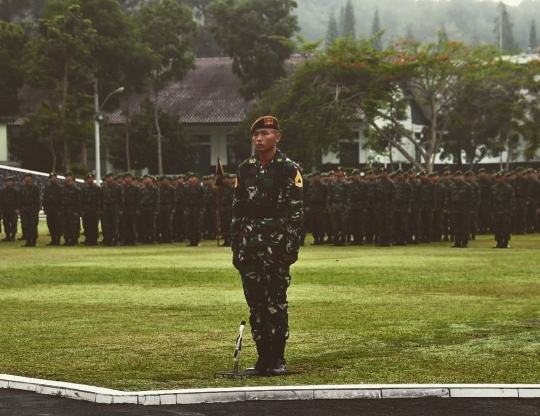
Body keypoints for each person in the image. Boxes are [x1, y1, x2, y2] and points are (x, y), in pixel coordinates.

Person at [231, 116, 303, 377]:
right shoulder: (245, 168)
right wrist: (235, 245)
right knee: (256, 304)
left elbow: (296, 211)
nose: (259, 138)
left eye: (265, 133)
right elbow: (237, 208)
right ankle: (262, 358)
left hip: (276, 245)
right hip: (249, 245)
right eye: (256, 134)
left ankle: (278, 358)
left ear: (277, 137)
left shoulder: (288, 168)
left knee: (276, 303)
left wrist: (291, 247)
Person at [490, 171, 515, 248]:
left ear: (504, 178)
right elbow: (490, 200)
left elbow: (512, 200)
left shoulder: (509, 188)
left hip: (505, 209)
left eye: (501, 177)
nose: (500, 179)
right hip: (496, 209)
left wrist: (511, 210)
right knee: (497, 226)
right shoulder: (493, 188)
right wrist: (490, 210)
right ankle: (499, 242)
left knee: (506, 226)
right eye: (498, 178)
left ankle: (506, 242)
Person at [19, 172, 41, 247]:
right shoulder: (22, 188)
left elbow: (37, 199)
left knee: (33, 225)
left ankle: (33, 241)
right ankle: (28, 241)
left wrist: (37, 209)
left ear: (31, 178)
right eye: (25, 177)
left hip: (33, 208)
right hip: (24, 209)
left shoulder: (35, 187)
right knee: (26, 225)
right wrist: (20, 208)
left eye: (28, 177)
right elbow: (20, 199)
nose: (27, 178)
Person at [60, 171, 81, 246]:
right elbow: (60, 199)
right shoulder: (62, 188)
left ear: (72, 178)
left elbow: (78, 201)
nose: (67, 178)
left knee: (74, 225)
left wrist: (77, 211)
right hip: (64, 209)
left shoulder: (76, 189)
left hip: (73, 209)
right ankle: (66, 239)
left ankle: (74, 240)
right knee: (65, 225)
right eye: (66, 177)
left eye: (68, 177)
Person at [80, 173, 100, 246]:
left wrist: (99, 209)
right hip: (86, 209)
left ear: (93, 179)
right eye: (88, 179)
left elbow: (99, 200)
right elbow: (81, 200)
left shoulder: (97, 189)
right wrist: (82, 210)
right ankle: (88, 239)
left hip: (94, 209)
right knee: (86, 225)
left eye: (91, 179)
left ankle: (94, 240)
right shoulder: (84, 189)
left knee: (94, 225)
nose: (89, 180)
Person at [43, 172, 63, 246]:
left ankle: (57, 240)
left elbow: (61, 199)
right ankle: (53, 239)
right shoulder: (48, 188)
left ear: (56, 178)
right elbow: (45, 199)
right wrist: (45, 208)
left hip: (57, 209)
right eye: (51, 178)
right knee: (50, 224)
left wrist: (60, 209)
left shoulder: (59, 187)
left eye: (53, 177)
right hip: (50, 209)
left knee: (58, 225)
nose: (52, 179)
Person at [1, 176, 19, 241]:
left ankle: (13, 236)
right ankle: (7, 236)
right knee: (6, 223)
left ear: (12, 182)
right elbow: (1, 201)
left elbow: (18, 201)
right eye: (6, 182)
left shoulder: (15, 191)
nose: (8, 183)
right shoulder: (2, 191)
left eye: (9, 181)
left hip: (13, 210)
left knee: (13, 223)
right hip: (5, 210)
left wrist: (17, 208)